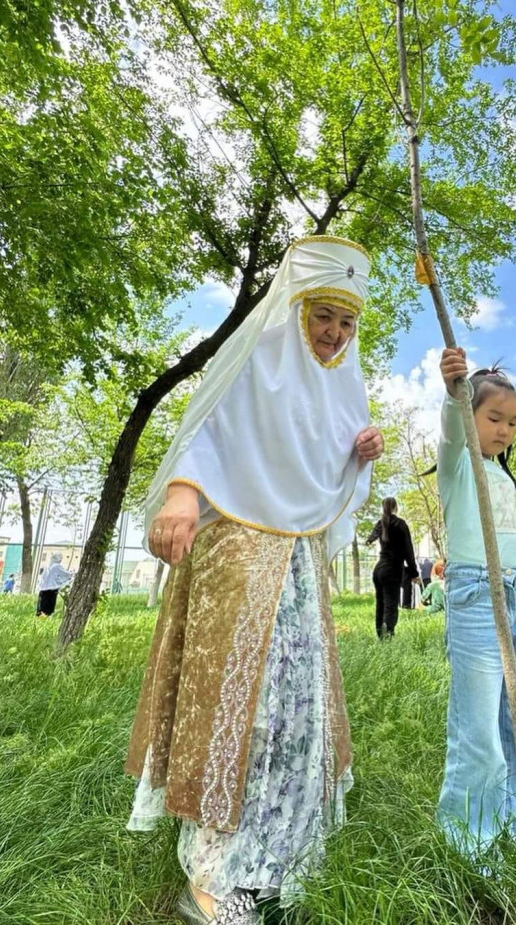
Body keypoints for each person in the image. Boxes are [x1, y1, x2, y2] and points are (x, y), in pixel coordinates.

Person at [124, 236, 384, 925]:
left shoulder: (338, 386)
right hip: (236, 554)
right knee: (241, 706)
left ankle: (277, 857)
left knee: (295, 708)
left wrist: (357, 454)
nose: (334, 333)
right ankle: (214, 876)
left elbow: (319, 477)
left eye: (347, 321)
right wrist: (182, 494)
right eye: (323, 315)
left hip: (296, 567)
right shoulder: (252, 363)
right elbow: (207, 432)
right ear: (296, 308)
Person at [436, 348, 516, 856]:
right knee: (480, 724)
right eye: (493, 418)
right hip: (476, 591)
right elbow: (450, 434)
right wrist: (453, 394)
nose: (505, 430)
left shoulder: (501, 475)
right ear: (471, 414)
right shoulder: (458, 464)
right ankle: (471, 840)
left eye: (512, 422)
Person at [366, 498, 419, 638]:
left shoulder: (381, 523)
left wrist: (369, 540)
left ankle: (380, 634)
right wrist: (414, 573)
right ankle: (388, 632)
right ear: (396, 507)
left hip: (378, 570)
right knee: (391, 604)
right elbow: (408, 551)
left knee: (380, 603)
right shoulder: (400, 524)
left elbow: (372, 536)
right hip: (392, 570)